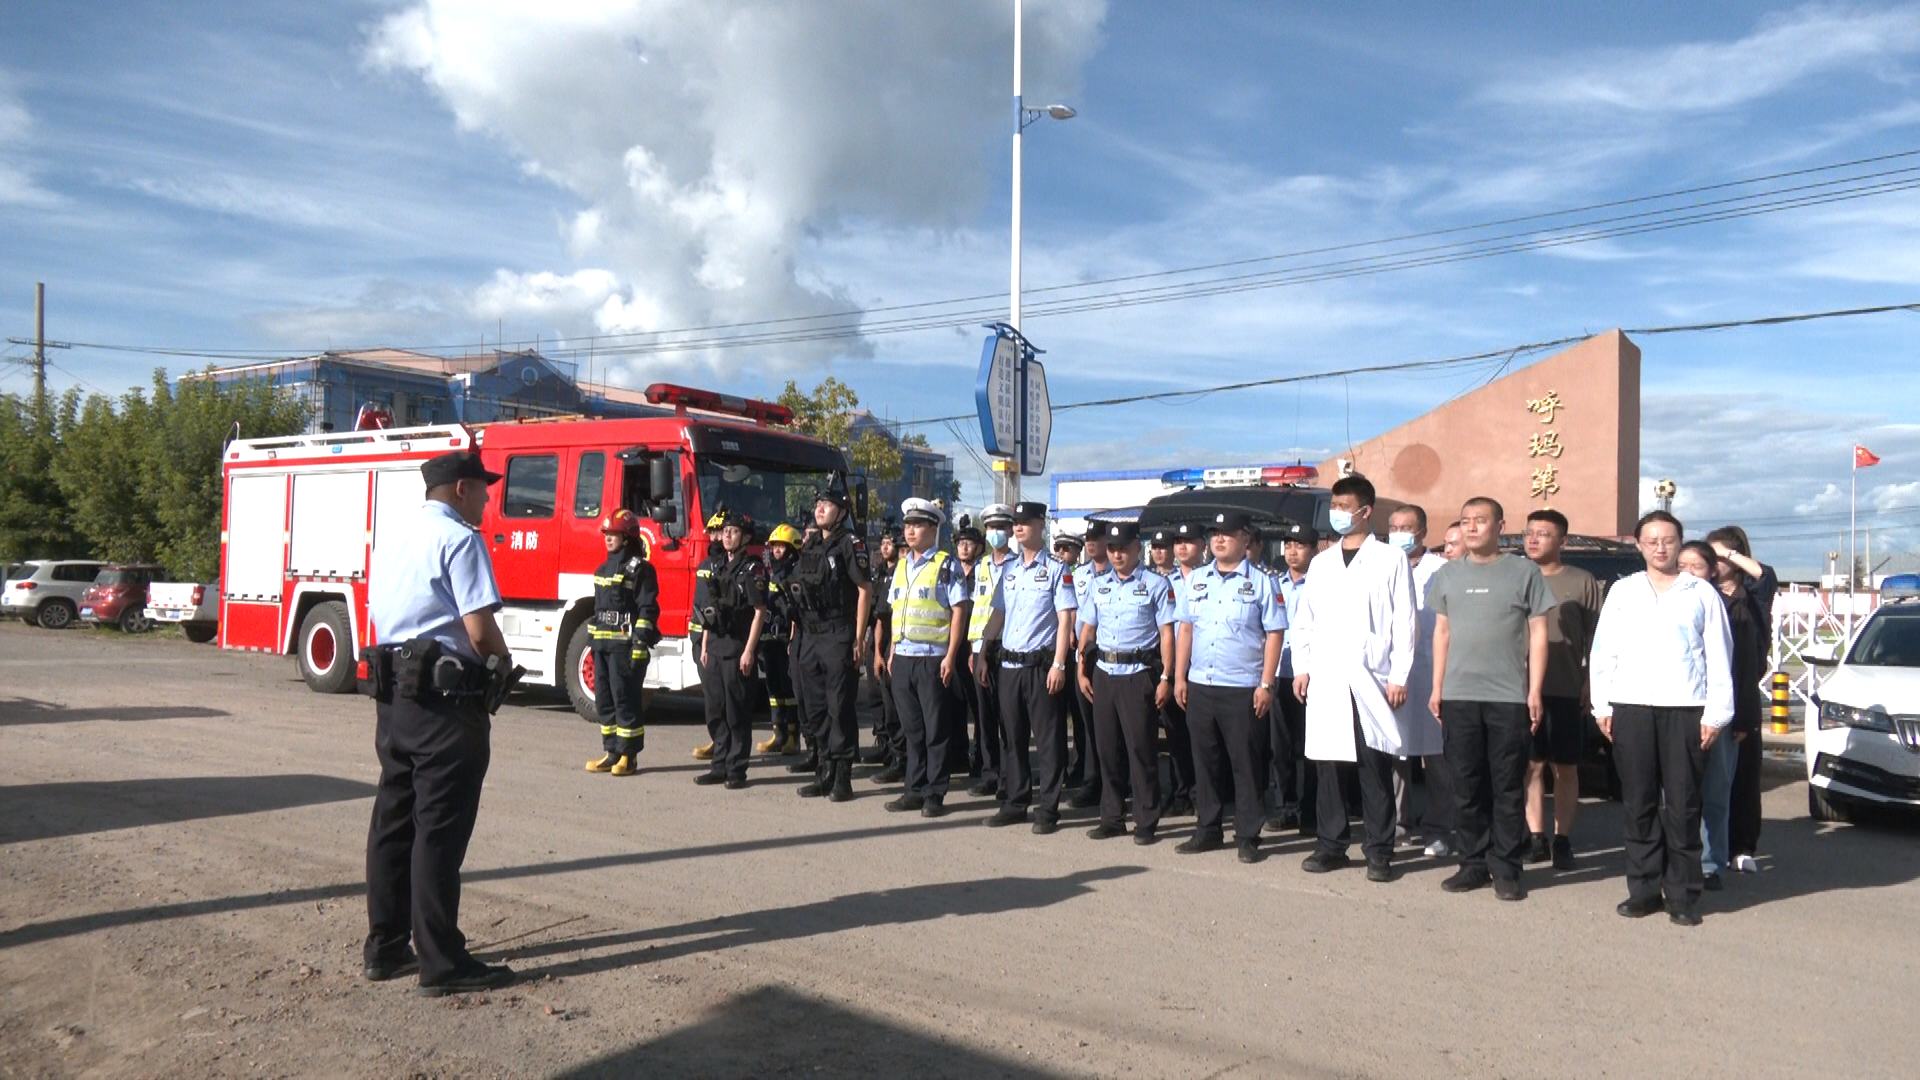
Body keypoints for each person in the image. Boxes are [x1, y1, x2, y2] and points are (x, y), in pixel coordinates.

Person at [364, 450, 515, 995]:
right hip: (447, 703)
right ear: (459, 490)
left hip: (395, 696)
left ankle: (384, 948)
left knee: (394, 820)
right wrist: (503, 665)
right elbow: (478, 629)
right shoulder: (460, 539)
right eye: (482, 488)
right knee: (439, 831)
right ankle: (442, 962)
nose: (487, 497)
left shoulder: (395, 537)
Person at [1589, 511, 1735, 927]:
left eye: (1668, 539)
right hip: (1631, 707)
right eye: (1651, 540)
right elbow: (1604, 651)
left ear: (1680, 543)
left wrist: (1716, 714)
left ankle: (1684, 894)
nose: (1659, 547)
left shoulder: (1700, 593)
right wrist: (1603, 705)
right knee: (1638, 802)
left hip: (1685, 707)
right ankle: (1643, 888)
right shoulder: (1623, 591)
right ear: (1638, 545)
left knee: (1684, 804)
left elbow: (1719, 656)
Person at [1427, 497, 1555, 901]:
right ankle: (1472, 863)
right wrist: (1436, 687)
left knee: (1506, 785)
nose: (1472, 528)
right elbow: (1441, 633)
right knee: (1465, 784)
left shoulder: (1523, 571)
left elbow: (1538, 632)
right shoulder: (1447, 574)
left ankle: (1507, 867)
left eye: (1481, 521)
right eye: (1465, 521)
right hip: (1459, 695)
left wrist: (1534, 689)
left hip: (1508, 697)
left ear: (1501, 524)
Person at [1291, 474, 1417, 882]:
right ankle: (1331, 844)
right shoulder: (1322, 563)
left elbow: (1405, 621)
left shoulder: (1390, 560)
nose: (1338, 514)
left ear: (1365, 511)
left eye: (1345, 507)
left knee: (1373, 764)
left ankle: (1379, 850)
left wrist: (1399, 675)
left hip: (1371, 677)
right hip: (1326, 676)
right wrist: (1302, 667)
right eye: (1335, 506)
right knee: (1328, 763)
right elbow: (1305, 620)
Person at [1172, 511, 1287, 863]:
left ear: (1246, 539)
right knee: (1205, 760)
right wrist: (1178, 676)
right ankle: (1207, 828)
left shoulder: (1264, 582)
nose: (1219, 540)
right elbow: (1186, 629)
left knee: (1246, 763)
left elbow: (1274, 634)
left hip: (1242, 687)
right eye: (1215, 534)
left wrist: (1266, 684)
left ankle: (1248, 835)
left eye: (1228, 534)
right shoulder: (1197, 580)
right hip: (1201, 684)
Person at [979, 501, 1078, 834]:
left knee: (1048, 740)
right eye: (1015, 523)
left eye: (1025, 522)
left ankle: (1048, 809)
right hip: (1009, 664)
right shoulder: (1009, 570)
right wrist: (983, 649)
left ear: (1041, 525)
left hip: (1040, 666)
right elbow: (998, 614)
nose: (1018, 528)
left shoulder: (1056, 569)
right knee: (1013, 738)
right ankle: (1016, 801)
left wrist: (1060, 664)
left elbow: (1065, 619)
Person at [1077, 521, 1176, 844]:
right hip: (1105, 672)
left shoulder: (1155, 584)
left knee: (1140, 748)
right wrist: (1081, 668)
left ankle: (1146, 819)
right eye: (1113, 549)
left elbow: (1167, 635)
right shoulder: (1098, 584)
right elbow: (1088, 630)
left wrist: (1165, 677)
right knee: (1107, 748)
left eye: (1124, 548)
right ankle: (1112, 816)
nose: (1117, 554)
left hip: (1138, 675)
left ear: (1138, 548)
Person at [1522, 508, 1604, 869]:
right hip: (1519, 690)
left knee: (1565, 767)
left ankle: (1563, 838)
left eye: (1543, 533)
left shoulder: (1582, 581)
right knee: (1530, 766)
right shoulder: (1516, 576)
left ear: (1563, 541)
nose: (1533, 539)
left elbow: (1597, 639)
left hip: (1565, 687)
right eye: (1529, 532)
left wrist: (1591, 681)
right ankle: (1536, 837)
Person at [879, 498, 969, 817]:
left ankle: (935, 793)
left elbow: (959, 610)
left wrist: (950, 656)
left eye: (917, 525)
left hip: (932, 658)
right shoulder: (902, 565)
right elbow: (896, 612)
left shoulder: (946, 564)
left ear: (933, 529)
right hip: (902, 658)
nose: (910, 531)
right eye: (907, 525)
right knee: (912, 730)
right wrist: (890, 651)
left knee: (935, 730)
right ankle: (913, 790)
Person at [1682, 541, 1763, 892]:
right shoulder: (1661, 603)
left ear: (1711, 572)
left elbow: (1742, 670)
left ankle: (1711, 863)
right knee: (1679, 794)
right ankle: (1679, 859)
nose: (1687, 573)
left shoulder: (1733, 608)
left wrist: (1741, 717)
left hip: (1721, 713)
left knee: (1716, 792)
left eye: (1696, 566)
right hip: (1677, 710)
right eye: (1681, 565)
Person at [790, 488, 875, 802]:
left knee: (839, 707)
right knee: (815, 707)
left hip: (839, 632)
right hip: (810, 634)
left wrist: (858, 637)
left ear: (841, 512)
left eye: (827, 505)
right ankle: (823, 771)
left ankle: (842, 776)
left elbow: (864, 590)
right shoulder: (810, 543)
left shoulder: (850, 544)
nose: (820, 509)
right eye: (818, 504)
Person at [1706, 525, 1774, 874]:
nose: (1713, 563)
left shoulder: (1753, 597)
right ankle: (1706, 849)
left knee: (1744, 776)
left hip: (1742, 696)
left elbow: (1766, 575)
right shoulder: (1703, 593)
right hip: (1706, 696)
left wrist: (1728, 553)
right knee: (1709, 780)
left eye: (1718, 556)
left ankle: (1741, 847)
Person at [1385, 504, 1447, 852]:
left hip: (1429, 672)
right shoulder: (1380, 565)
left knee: (1436, 757)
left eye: (1406, 527)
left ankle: (1439, 827)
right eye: (1393, 526)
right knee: (1395, 752)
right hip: (1392, 673)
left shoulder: (1442, 570)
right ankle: (1397, 824)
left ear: (1422, 531)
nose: (1399, 534)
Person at [696, 510, 769, 789]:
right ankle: (719, 765)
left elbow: (759, 612)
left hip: (738, 647)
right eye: (725, 530)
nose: (727, 534)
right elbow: (708, 609)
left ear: (746, 537)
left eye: (734, 531)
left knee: (736, 712)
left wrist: (750, 651)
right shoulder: (717, 566)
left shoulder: (752, 569)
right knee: (715, 710)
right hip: (714, 647)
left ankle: (736, 770)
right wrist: (704, 644)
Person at [585, 509, 660, 777]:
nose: (608, 538)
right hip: (603, 646)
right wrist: (592, 643)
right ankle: (611, 752)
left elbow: (648, 609)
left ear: (627, 538)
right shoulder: (602, 570)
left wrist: (639, 644)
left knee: (625, 701)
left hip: (625, 648)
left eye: (613, 534)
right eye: (606, 534)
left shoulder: (640, 569)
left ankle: (629, 756)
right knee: (604, 701)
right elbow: (598, 609)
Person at [966, 504, 1018, 797]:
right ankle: (990, 772)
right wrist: (972, 649)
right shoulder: (982, 566)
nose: (995, 533)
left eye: (1001, 527)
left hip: (1007, 646)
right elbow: (976, 608)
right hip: (980, 647)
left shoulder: (1017, 564)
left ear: (1010, 531)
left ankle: (1010, 776)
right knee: (984, 714)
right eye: (991, 528)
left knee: (1007, 715)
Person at [1160, 522, 1209, 816]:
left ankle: (1203, 795)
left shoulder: (1211, 578)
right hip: (1172, 664)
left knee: (1203, 738)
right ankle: (1180, 793)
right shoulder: (1163, 581)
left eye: (1188, 541)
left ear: (1203, 545)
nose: (1181, 547)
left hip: (1203, 666)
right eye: (1177, 541)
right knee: (1175, 735)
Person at [1271, 523, 1316, 832]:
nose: (1292, 551)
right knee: (1281, 747)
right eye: (1288, 545)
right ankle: (1285, 807)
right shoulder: (1276, 584)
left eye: (1299, 545)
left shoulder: (1322, 583)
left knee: (1312, 747)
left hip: (1311, 674)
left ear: (1314, 549)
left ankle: (1311, 811)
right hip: (1279, 673)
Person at [1057, 530, 1104, 809]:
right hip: (1081, 654)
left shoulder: (1117, 574)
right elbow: (1071, 609)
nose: (1090, 542)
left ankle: (1113, 780)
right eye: (1087, 538)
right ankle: (1088, 777)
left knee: (1107, 725)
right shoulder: (1080, 574)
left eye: (1096, 538)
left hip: (1110, 657)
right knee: (1084, 721)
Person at [756, 523, 804, 758]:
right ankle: (778, 733)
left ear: (792, 549)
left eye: (781, 547)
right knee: (773, 688)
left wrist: (791, 638)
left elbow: (795, 610)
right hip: (769, 640)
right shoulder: (771, 573)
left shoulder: (795, 575)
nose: (776, 551)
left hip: (786, 639)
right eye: (774, 547)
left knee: (788, 689)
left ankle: (794, 737)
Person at [867, 527, 906, 778]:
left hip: (903, 646)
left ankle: (901, 757)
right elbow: (879, 616)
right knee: (879, 699)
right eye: (882, 543)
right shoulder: (880, 574)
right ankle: (887, 747)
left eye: (892, 544)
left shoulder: (899, 576)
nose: (886, 548)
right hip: (881, 644)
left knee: (898, 707)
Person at [689, 511, 728, 762]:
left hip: (719, 639)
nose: (714, 537)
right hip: (699, 637)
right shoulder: (705, 565)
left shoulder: (730, 566)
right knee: (712, 696)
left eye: (719, 532)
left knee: (724, 696)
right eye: (712, 532)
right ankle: (717, 740)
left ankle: (725, 745)